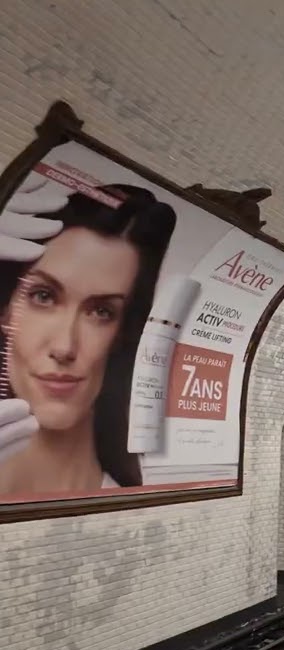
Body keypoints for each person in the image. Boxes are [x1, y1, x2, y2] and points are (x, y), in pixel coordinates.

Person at [0, 179, 175, 496]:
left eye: (101, 312)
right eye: (43, 296)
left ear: (124, 332)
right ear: (5, 310)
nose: (65, 347)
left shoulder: (133, 500)